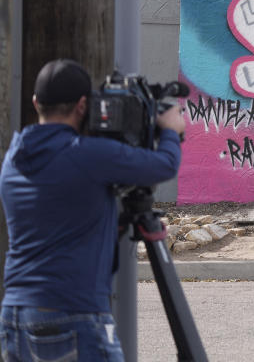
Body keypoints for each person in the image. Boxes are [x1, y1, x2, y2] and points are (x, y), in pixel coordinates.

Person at [0, 59, 185, 361]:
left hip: (14, 318)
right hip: (72, 315)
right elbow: (164, 165)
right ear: (84, 105)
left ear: (36, 103)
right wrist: (169, 131)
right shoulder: (87, 156)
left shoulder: (13, 158)